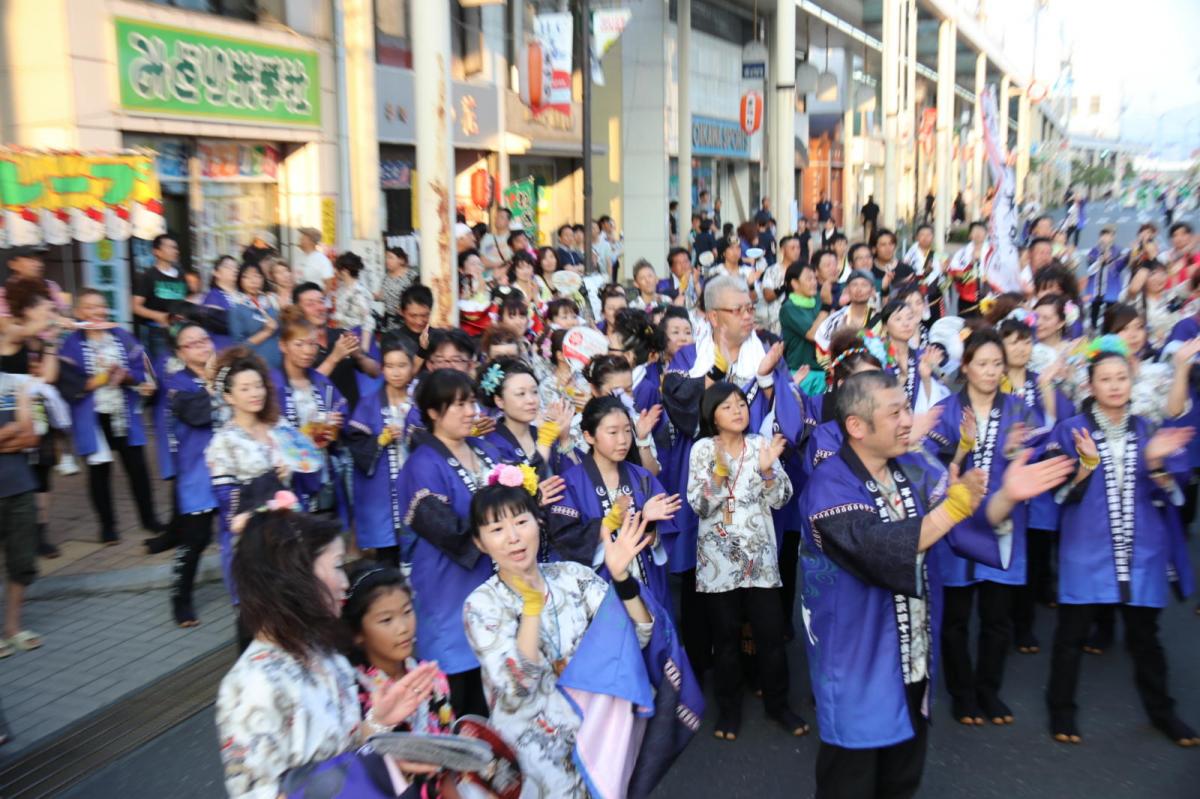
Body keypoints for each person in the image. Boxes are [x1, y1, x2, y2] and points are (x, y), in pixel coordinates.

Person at [798, 370, 1072, 798]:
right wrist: (954, 507)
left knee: (902, 776)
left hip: (914, 655)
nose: (909, 420)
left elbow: (968, 524)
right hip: (856, 659)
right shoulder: (829, 482)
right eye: (895, 413)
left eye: (907, 407)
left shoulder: (915, 464)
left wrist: (1008, 496)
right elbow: (875, 547)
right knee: (849, 780)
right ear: (856, 426)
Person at [463, 480, 662, 798]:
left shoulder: (574, 576)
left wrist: (622, 579)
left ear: (538, 523)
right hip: (535, 761)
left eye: (521, 521)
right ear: (480, 542)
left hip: (599, 742)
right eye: (497, 529)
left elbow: (638, 635)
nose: (514, 537)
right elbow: (517, 689)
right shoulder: (481, 604)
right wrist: (530, 608)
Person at [216, 506, 433, 799]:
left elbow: (344, 753)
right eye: (337, 565)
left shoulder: (324, 653)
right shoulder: (252, 685)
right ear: (298, 574)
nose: (345, 582)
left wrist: (377, 725)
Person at [1044, 339, 1199, 746]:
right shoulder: (1071, 430)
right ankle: (1061, 710)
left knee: (1145, 639)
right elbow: (1054, 488)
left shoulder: (1148, 429)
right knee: (1070, 637)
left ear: (1131, 381)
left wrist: (1156, 464)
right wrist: (1082, 470)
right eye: (1105, 379)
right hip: (1086, 548)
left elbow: (1173, 493)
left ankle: (1163, 713)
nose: (1114, 386)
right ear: (1091, 385)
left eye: (1121, 378)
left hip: (1141, 551)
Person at [924, 328, 1045, 727]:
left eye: (997, 364)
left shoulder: (1021, 410)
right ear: (966, 366)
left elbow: (1035, 460)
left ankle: (989, 690)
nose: (991, 372)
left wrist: (1016, 452)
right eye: (983, 364)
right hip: (956, 522)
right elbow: (929, 468)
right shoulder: (945, 409)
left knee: (997, 617)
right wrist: (962, 445)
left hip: (1004, 522)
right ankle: (962, 693)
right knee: (956, 615)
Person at [687, 382, 804, 741]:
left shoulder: (760, 445)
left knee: (770, 636)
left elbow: (783, 498)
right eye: (728, 406)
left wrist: (768, 470)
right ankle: (729, 709)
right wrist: (720, 475)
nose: (738, 410)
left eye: (741, 404)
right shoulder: (703, 449)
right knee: (724, 640)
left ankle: (778, 705)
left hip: (760, 559)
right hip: (718, 563)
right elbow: (699, 505)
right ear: (712, 415)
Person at [394, 369, 503, 717]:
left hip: (492, 583)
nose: (471, 411)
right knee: (462, 694)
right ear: (433, 412)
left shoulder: (484, 449)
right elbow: (442, 527)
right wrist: (502, 532)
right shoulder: (422, 464)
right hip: (450, 588)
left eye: (471, 402)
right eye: (459, 405)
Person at [548, 395, 678, 607]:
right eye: (612, 432)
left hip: (647, 583)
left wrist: (648, 521)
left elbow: (660, 541)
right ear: (588, 436)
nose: (623, 440)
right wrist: (608, 524)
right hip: (599, 589)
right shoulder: (570, 484)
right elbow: (565, 541)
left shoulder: (643, 478)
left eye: (627, 430)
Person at [58, 289, 162, 544]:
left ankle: (149, 519)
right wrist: (103, 378)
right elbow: (69, 382)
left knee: (137, 467)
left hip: (123, 411)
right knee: (99, 472)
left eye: (102, 306)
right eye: (91, 307)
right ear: (79, 312)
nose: (98, 312)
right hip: (92, 416)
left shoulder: (122, 336)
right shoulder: (71, 343)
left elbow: (141, 369)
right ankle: (107, 527)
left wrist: (125, 376)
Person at [998, 315, 1074, 654]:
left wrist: (1046, 387)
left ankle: (1023, 624)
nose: (1021, 347)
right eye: (1013, 340)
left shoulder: (1039, 380)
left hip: (1039, 482)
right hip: (1001, 479)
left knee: (1034, 554)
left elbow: (1061, 423)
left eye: (1026, 340)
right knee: (1003, 554)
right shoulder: (991, 381)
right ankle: (1006, 621)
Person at [205, 348, 291, 609]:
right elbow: (230, 508)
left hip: (288, 535)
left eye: (258, 385)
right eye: (245, 388)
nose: (255, 393)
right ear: (229, 396)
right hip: (251, 543)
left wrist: (292, 472)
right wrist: (269, 483)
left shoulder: (280, 427)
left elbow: (309, 472)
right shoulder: (224, 441)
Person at [341, 564, 454, 735]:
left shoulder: (429, 676)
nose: (403, 628)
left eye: (407, 611)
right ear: (357, 632)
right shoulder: (351, 694)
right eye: (386, 620)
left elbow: (448, 731)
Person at [163, 324, 220, 627]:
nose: (201, 346)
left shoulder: (227, 373)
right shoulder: (177, 383)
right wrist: (213, 384)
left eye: (204, 339)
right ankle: (181, 599)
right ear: (180, 353)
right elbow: (198, 414)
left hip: (231, 468)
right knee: (195, 540)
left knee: (241, 534)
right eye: (191, 343)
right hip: (196, 472)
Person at [344, 335, 416, 567]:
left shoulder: (421, 402)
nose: (396, 372)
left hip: (415, 484)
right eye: (390, 366)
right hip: (383, 492)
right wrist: (380, 440)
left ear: (412, 367)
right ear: (382, 368)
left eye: (402, 365)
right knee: (388, 556)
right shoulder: (368, 403)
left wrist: (413, 435)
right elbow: (356, 442)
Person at [273, 307, 347, 516]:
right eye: (299, 344)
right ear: (283, 345)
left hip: (321, 466)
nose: (308, 351)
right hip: (287, 472)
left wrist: (337, 420)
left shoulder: (320, 381)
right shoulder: (272, 383)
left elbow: (341, 407)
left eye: (312, 344)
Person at [480, 357, 577, 482]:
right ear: (500, 401)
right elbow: (522, 490)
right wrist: (545, 440)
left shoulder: (539, 432)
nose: (531, 400)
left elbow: (574, 480)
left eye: (534, 392)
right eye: (521, 394)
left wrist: (564, 439)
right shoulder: (492, 443)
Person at [0, 365, 41, 658]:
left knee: (22, 561)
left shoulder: (16, 383)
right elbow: (20, 430)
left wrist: (15, 432)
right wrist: (13, 429)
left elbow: (31, 437)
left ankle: (13, 629)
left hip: (20, 485)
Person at [294, 282, 381, 412]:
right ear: (298, 311)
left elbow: (375, 372)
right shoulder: (297, 344)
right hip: (319, 423)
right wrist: (335, 357)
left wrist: (359, 356)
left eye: (321, 301)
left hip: (353, 419)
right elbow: (307, 387)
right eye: (310, 304)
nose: (319, 308)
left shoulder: (340, 334)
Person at [132, 234, 188, 363]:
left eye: (175, 248)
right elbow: (135, 306)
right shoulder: (148, 276)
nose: (175, 251)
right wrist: (159, 316)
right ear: (156, 251)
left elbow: (184, 299)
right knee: (162, 367)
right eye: (170, 247)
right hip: (157, 331)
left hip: (179, 329)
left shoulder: (180, 273)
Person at [229, 262, 282, 370]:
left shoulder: (272, 301)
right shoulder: (237, 307)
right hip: (256, 367)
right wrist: (266, 332)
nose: (253, 280)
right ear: (240, 280)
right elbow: (239, 348)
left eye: (257, 275)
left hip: (280, 364)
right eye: (246, 277)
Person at [779, 260, 827, 377]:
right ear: (795, 283)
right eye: (809, 279)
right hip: (803, 372)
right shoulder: (789, 308)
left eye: (815, 278)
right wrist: (826, 308)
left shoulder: (819, 300)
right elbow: (812, 335)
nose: (814, 282)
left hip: (824, 369)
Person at [947, 221, 994, 318]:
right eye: (975, 231)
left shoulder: (993, 253)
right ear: (970, 235)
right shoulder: (961, 254)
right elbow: (954, 274)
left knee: (986, 330)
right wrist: (971, 265)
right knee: (966, 329)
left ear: (986, 234)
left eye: (981, 231)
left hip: (989, 299)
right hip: (966, 300)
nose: (978, 234)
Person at [331, 252, 376, 348]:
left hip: (357, 338)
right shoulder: (341, 290)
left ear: (344, 271)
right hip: (344, 336)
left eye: (337, 269)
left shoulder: (359, 292)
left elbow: (368, 320)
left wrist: (364, 348)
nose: (335, 272)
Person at [201, 255, 240, 351]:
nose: (234, 270)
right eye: (228, 267)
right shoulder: (213, 297)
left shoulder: (243, 295)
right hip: (223, 350)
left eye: (236, 267)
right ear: (216, 273)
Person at [393, 284, 433, 363]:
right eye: (413, 316)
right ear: (401, 312)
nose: (419, 321)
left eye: (424, 315)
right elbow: (403, 374)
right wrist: (423, 350)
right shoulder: (393, 338)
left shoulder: (438, 336)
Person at [377, 247, 416, 332]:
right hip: (389, 321)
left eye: (390, 257)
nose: (387, 260)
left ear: (401, 260)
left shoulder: (411, 276)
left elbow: (417, 296)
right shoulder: (386, 277)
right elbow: (382, 295)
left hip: (406, 321)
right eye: (386, 257)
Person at [479, 207, 514, 274]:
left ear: (509, 221)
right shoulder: (486, 238)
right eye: (496, 217)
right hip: (489, 278)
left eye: (501, 217)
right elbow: (482, 261)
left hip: (507, 277)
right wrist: (502, 264)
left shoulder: (513, 238)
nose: (497, 219)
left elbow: (514, 260)